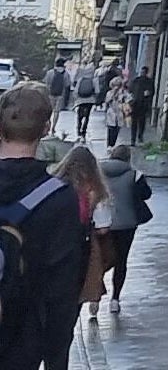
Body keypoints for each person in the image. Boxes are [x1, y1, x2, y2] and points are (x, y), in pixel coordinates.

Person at [0, 86, 83, 370]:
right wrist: (57, 357)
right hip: (22, 339)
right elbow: (62, 288)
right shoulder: (59, 198)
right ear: (46, 127)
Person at [52, 147, 104, 350]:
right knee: (66, 325)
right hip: (80, 261)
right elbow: (103, 227)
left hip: (52, 257)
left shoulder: (52, 186)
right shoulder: (94, 191)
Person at [91, 148, 144, 319]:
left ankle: (95, 298)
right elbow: (146, 193)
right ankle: (115, 300)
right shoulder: (134, 174)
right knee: (121, 260)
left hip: (102, 222)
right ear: (128, 158)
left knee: (101, 260)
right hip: (127, 224)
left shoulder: (98, 173)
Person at [119, 70, 151, 145]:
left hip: (137, 104)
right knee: (140, 122)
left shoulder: (136, 80)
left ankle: (134, 138)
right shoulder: (147, 81)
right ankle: (138, 137)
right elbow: (151, 93)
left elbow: (130, 90)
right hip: (141, 104)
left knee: (136, 122)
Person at [67, 68, 96, 146]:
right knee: (87, 117)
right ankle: (84, 132)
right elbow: (97, 91)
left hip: (80, 100)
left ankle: (78, 132)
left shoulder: (80, 80)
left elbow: (76, 91)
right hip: (90, 100)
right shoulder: (93, 80)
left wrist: (75, 99)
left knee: (79, 117)